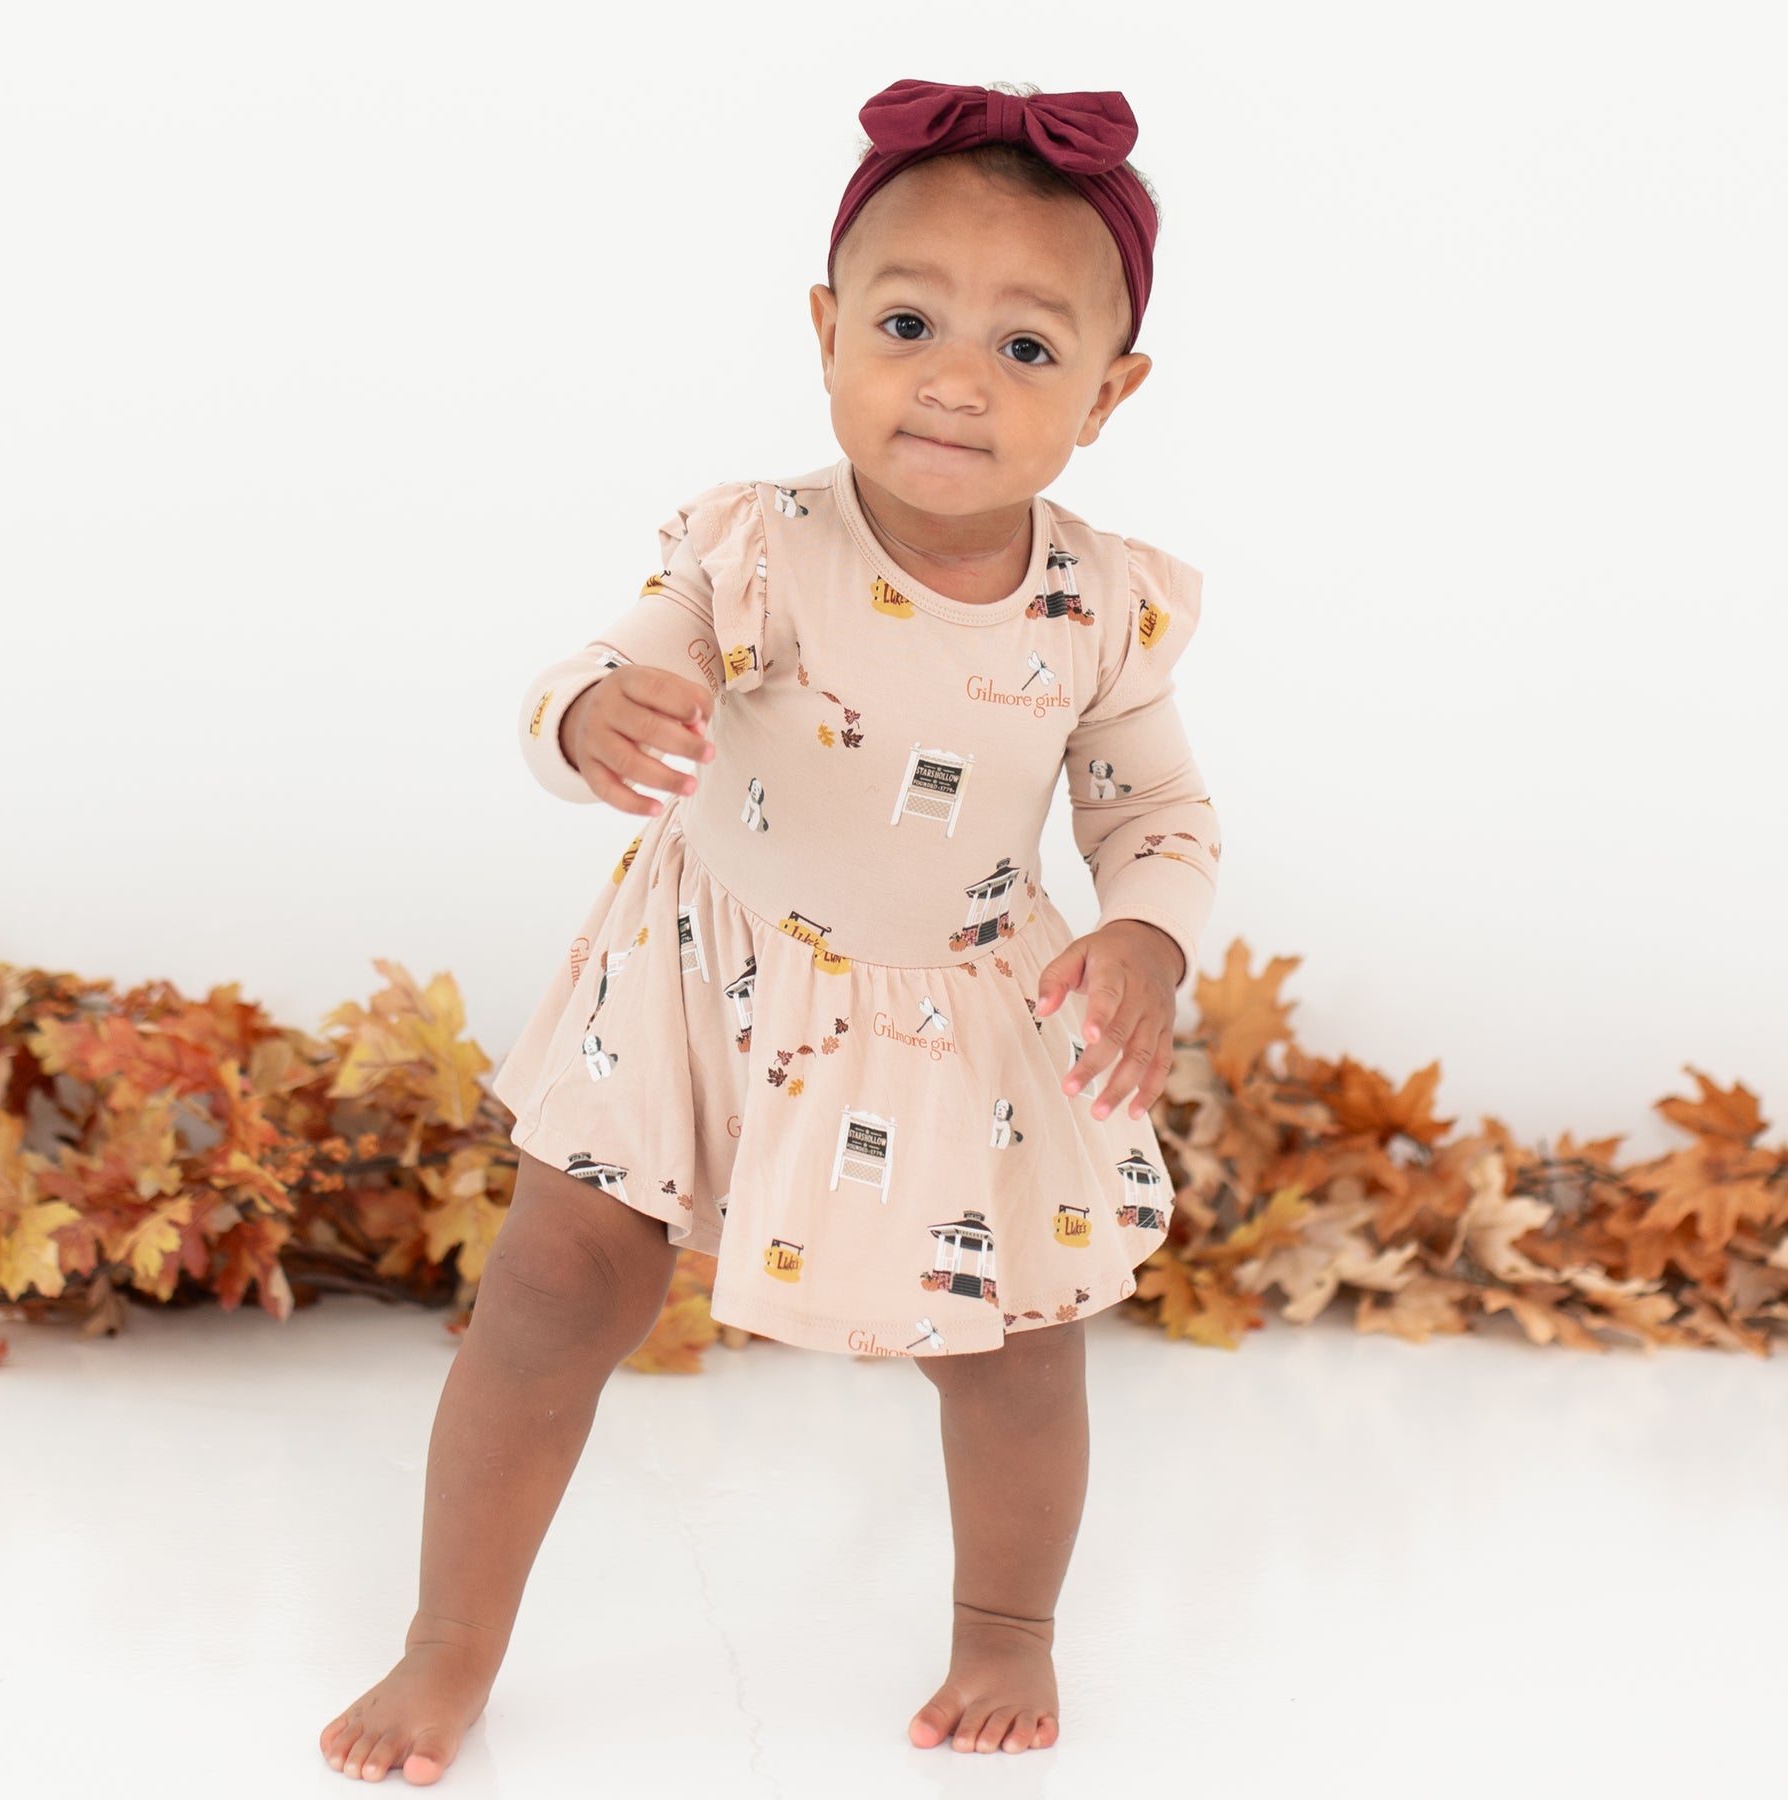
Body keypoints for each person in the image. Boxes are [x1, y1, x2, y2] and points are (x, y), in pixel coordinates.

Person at [320, 75, 1222, 1782]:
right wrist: (591, 717)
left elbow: (1154, 813)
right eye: (907, 321)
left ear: (1111, 396)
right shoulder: (751, 546)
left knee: (1014, 1345)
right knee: (551, 1296)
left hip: (960, 1010)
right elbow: (599, 665)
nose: (956, 376)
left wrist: (1150, 938)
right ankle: (449, 1644)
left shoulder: (1106, 607)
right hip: (698, 976)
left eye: (1029, 351)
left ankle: (1006, 1627)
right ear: (826, 335)